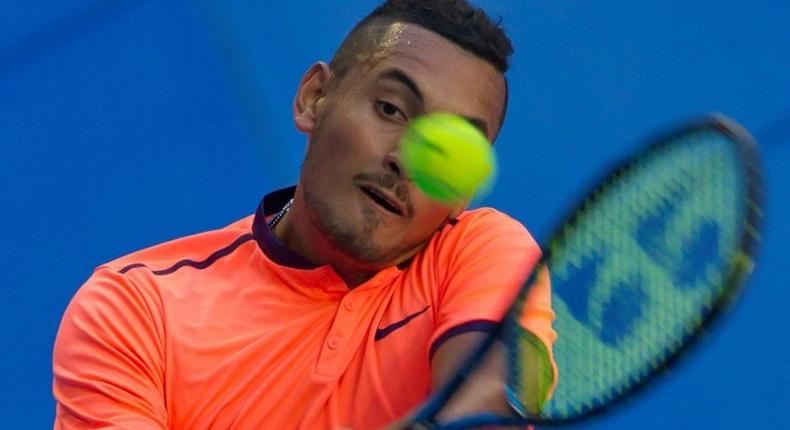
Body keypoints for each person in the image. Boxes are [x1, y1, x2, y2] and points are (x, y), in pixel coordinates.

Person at [52, 0, 557, 428]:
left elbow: (484, 399)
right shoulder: (136, 311)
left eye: (449, 152)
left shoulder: (480, 252)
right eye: (391, 110)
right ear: (314, 98)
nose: (405, 160)